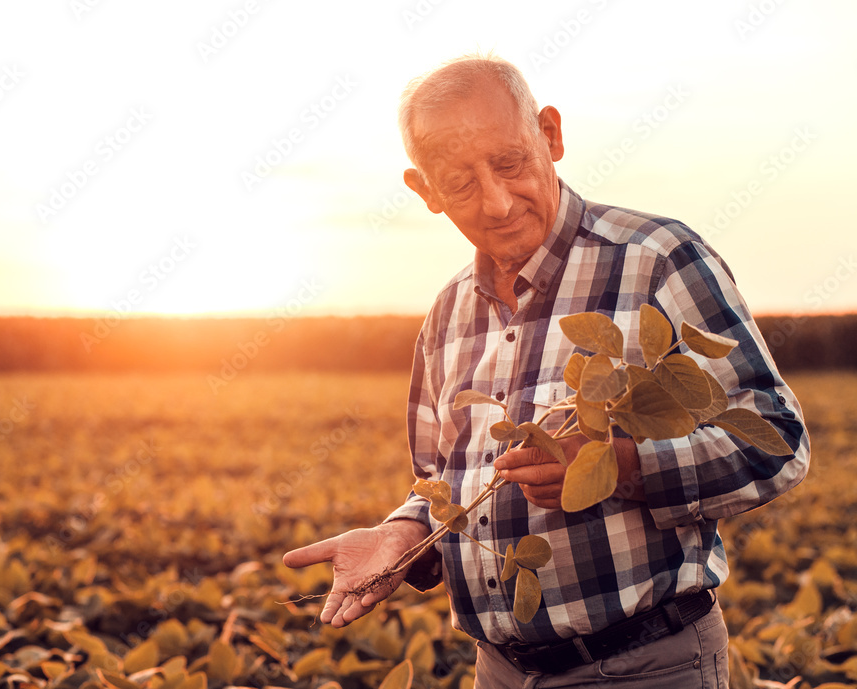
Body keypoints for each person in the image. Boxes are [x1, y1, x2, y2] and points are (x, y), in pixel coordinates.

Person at [283, 54, 810, 687]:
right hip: (499, 672)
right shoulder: (448, 314)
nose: (498, 202)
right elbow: (445, 483)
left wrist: (614, 466)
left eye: (510, 163)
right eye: (459, 182)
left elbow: (778, 441)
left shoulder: (657, 260)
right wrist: (403, 536)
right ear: (424, 191)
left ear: (551, 136)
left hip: (646, 667)